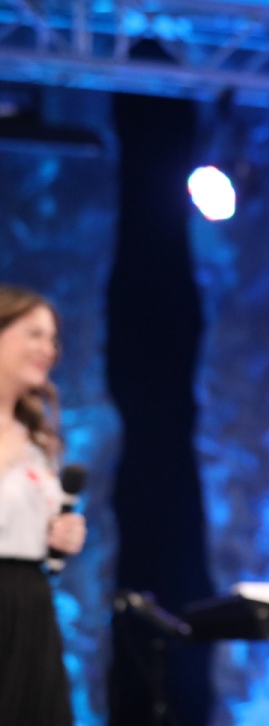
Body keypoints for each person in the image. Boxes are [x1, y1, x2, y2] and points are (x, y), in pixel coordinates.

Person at [0, 285, 86, 726]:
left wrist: (61, 537)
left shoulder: (39, 439)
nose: (48, 349)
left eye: (52, 339)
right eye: (33, 334)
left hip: (31, 607)